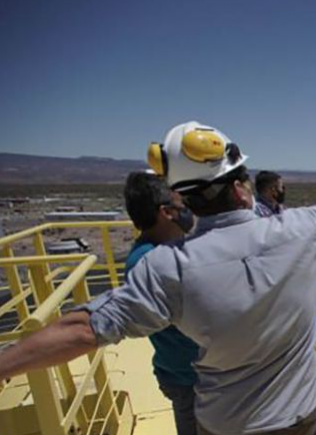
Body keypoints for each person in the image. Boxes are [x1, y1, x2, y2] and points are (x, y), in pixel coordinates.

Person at [0, 121, 316, 435]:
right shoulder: (303, 230)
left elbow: (80, 331)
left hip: (220, 424)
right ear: (243, 187)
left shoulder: (165, 268)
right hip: (298, 421)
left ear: (183, 198)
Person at [122, 171, 200, 435]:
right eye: (183, 206)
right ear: (167, 212)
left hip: (187, 372)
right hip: (190, 378)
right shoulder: (151, 263)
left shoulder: (159, 252)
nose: (189, 211)